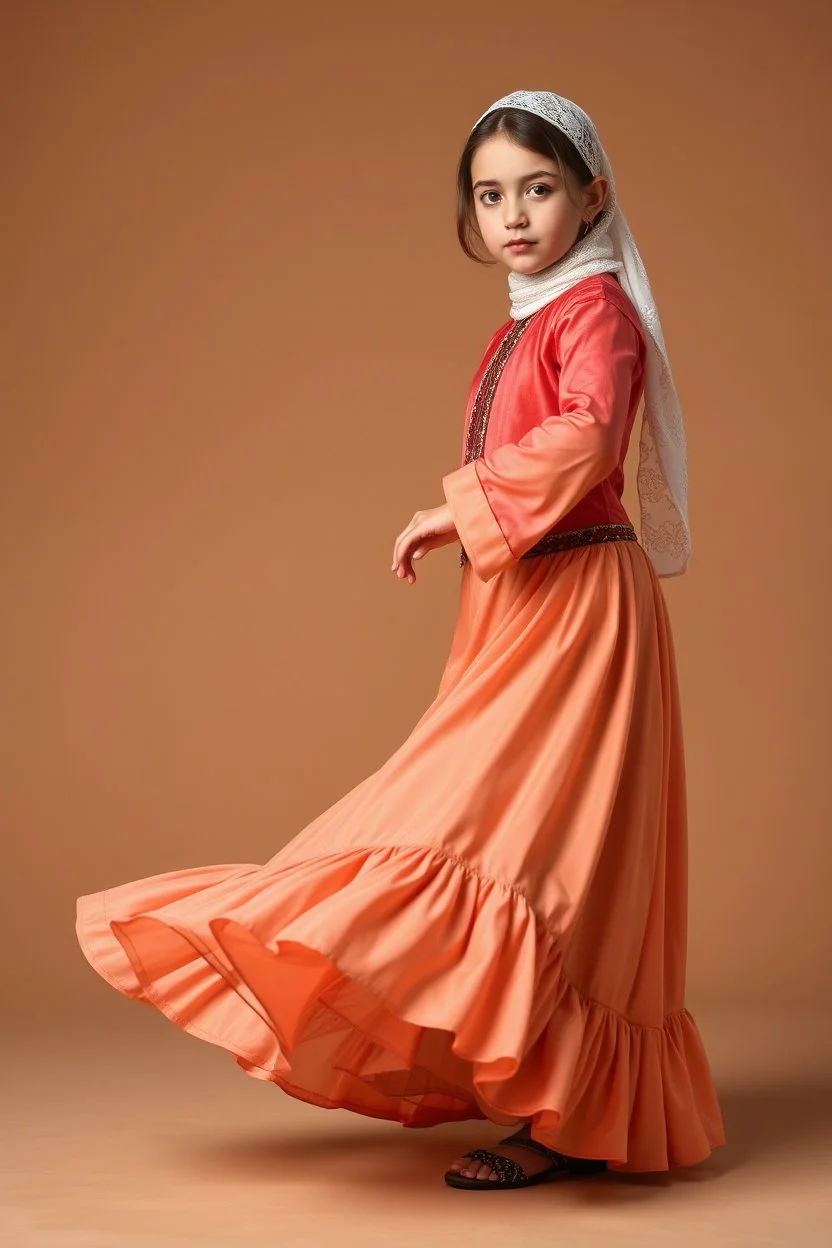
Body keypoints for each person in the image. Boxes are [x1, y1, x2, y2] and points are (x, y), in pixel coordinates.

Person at [75, 89, 725, 1193]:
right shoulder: (523, 320)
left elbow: (588, 434)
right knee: (501, 826)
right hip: (522, 599)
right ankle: (540, 1085)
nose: (512, 215)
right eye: (490, 195)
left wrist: (453, 508)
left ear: (591, 198)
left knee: (555, 849)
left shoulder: (595, 311)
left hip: (580, 607)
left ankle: (571, 1114)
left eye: (538, 189)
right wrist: (477, 527)